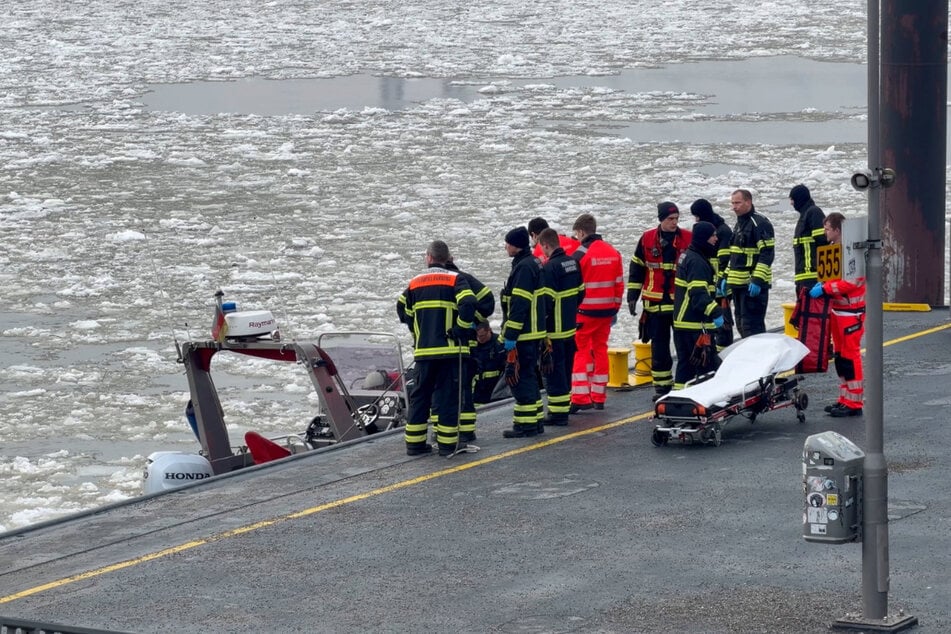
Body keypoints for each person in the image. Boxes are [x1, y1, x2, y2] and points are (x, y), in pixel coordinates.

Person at [396, 240, 477, 456]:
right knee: (448, 396)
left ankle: (414, 444)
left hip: (424, 352)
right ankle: (448, 446)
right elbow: (469, 303)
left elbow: (402, 308)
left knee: (420, 397)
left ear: (429, 258)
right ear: (447, 258)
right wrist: (460, 328)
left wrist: (417, 329)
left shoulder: (415, 283)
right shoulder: (455, 279)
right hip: (449, 351)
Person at [627, 202, 692, 400]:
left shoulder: (687, 238)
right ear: (661, 220)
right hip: (654, 306)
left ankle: (685, 384)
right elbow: (637, 267)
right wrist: (632, 296)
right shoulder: (647, 238)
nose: (674, 223)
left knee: (684, 347)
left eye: (676, 219)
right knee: (659, 349)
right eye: (670, 219)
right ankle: (662, 388)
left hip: (680, 305)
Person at [809, 212, 865, 417]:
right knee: (841, 357)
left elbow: (853, 282)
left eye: (827, 229)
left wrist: (825, 288)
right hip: (838, 311)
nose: (825, 232)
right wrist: (824, 286)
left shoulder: (852, 254)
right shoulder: (835, 252)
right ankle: (845, 398)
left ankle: (855, 402)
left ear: (837, 230)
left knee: (850, 356)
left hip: (851, 313)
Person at [570, 213, 625, 412]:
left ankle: (580, 396)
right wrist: (615, 308)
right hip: (607, 311)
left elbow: (573, 287)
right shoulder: (613, 252)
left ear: (582, 232)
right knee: (600, 350)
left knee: (580, 352)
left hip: (584, 312)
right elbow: (619, 284)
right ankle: (599, 396)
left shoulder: (580, 254)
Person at [440, 254, 495, 442]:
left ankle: (447, 432)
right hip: (461, 345)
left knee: (448, 389)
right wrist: (473, 319)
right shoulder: (465, 279)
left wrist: (466, 324)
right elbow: (487, 302)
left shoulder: (448, 280)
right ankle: (465, 431)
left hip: (449, 345)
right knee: (463, 389)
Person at [500, 226, 547, 438]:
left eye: (508, 243)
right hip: (534, 331)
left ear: (515, 245)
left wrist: (510, 335)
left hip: (524, 334)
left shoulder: (524, 268)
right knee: (529, 375)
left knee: (520, 380)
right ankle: (533, 421)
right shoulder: (532, 262)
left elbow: (519, 303)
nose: (505, 247)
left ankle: (527, 426)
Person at [538, 227, 585, 425]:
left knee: (554, 373)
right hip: (570, 327)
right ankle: (563, 408)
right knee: (566, 370)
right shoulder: (572, 262)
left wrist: (542, 325)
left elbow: (546, 302)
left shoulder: (550, 268)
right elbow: (581, 292)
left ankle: (558, 414)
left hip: (555, 331)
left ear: (546, 245)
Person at [672, 222, 724, 389]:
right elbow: (699, 296)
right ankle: (706, 401)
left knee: (685, 367)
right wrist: (716, 312)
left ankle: (679, 401)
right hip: (695, 325)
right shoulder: (698, 262)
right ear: (703, 238)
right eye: (713, 236)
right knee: (707, 366)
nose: (716, 238)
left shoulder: (689, 255)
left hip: (683, 324)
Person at [721, 189, 775, 337]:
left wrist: (757, 280)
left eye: (737, 203)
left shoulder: (759, 223)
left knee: (753, 328)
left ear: (748, 202)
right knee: (742, 326)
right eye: (732, 203)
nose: (734, 207)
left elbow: (767, 254)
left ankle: (759, 359)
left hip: (752, 287)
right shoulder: (739, 224)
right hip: (738, 286)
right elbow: (735, 255)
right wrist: (725, 277)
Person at [690, 198, 734, 350]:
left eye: (696, 216)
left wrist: (722, 278)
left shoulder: (723, 231)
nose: (695, 220)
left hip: (721, 286)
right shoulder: (706, 231)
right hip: (710, 284)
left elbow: (726, 260)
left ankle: (723, 355)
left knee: (724, 324)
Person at [471, 322, 510, 404]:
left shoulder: (498, 343)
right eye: (477, 336)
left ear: (489, 330)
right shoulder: (473, 343)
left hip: (496, 387)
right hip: (478, 388)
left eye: (482, 336)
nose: (479, 339)